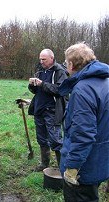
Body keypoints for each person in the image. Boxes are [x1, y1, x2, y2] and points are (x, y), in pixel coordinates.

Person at [58, 43, 109, 202]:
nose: (66, 67)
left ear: (72, 64)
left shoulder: (82, 89)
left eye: (66, 63)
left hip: (85, 165)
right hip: (101, 159)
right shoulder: (106, 82)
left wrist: (72, 168)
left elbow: (83, 134)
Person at [28, 49, 68, 171]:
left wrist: (42, 84)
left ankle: (63, 167)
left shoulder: (59, 71)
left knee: (56, 140)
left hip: (52, 111)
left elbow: (60, 90)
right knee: (41, 139)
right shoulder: (40, 70)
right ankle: (44, 164)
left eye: (43, 59)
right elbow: (36, 91)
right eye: (40, 59)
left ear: (51, 58)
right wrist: (32, 84)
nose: (41, 62)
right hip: (39, 109)